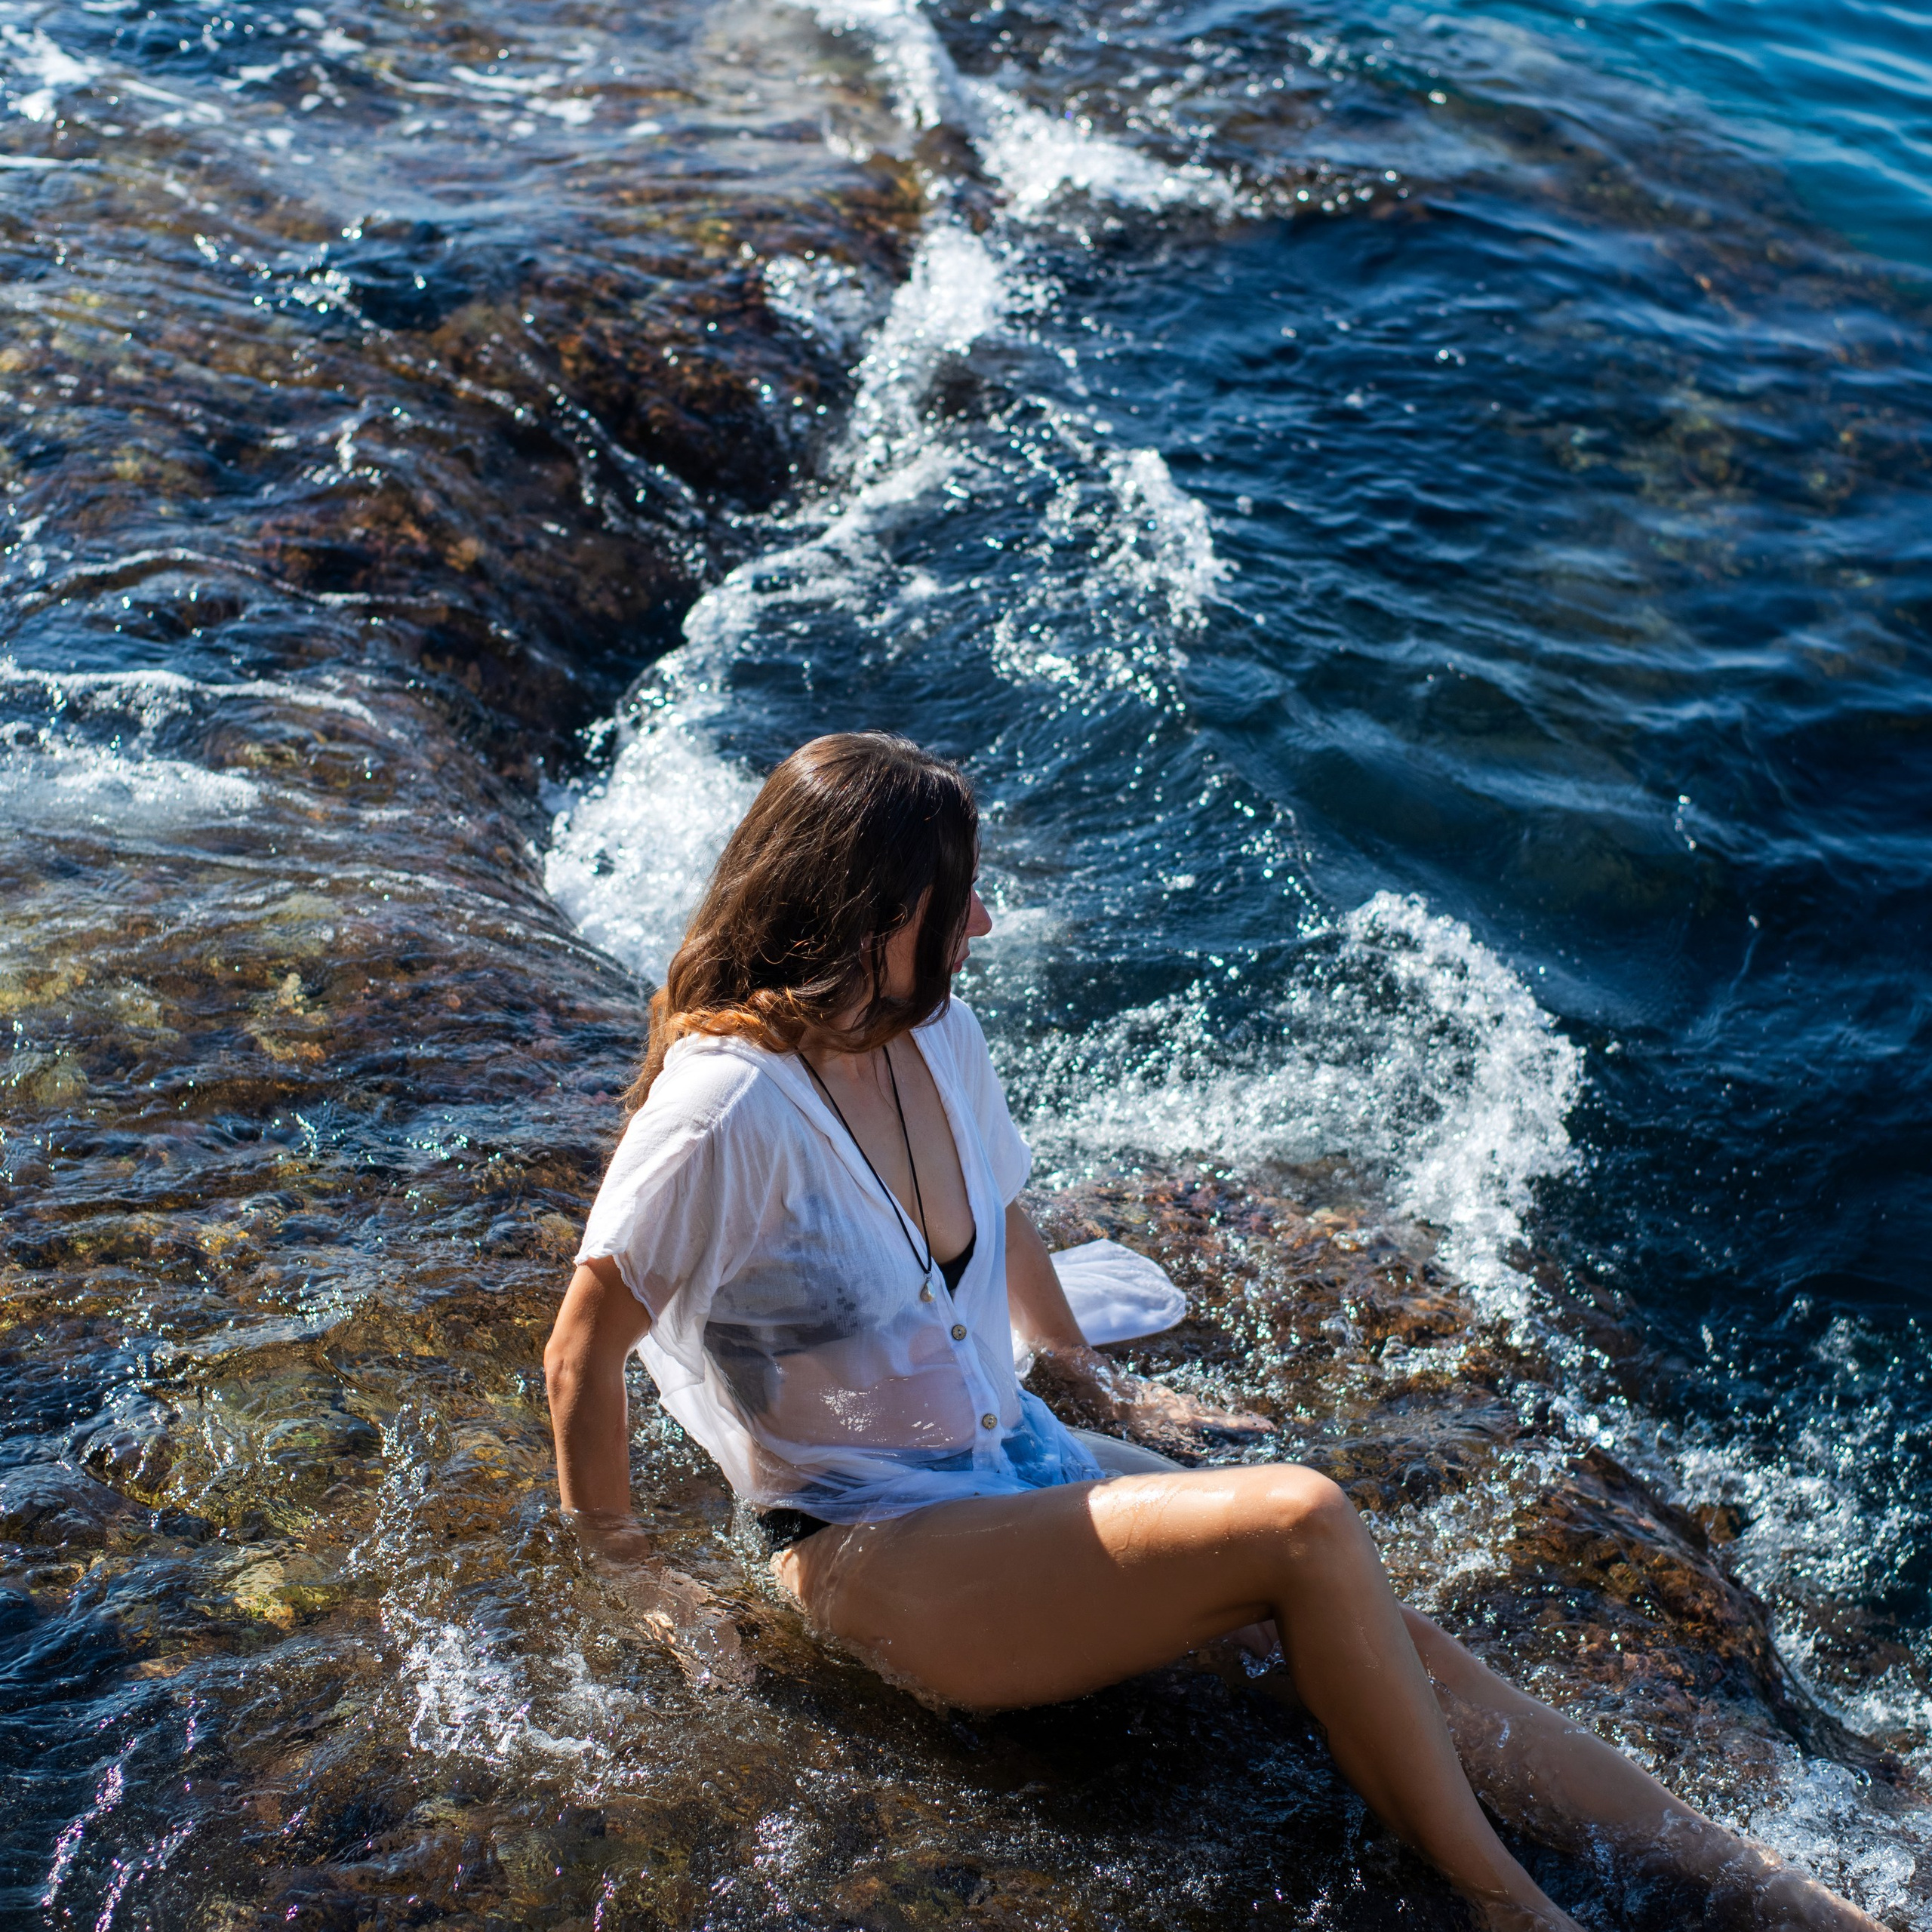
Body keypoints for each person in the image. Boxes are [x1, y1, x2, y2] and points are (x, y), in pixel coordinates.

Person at [546, 731, 1881, 1932]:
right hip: (871, 1546)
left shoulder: (930, 1031)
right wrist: (628, 1566)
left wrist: (1091, 1385)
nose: (986, 923)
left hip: (1014, 1465)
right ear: (872, 916)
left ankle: (1770, 1891)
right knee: (1296, 1523)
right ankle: (1507, 1907)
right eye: (956, 904)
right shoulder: (728, 1107)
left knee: (1390, 1639)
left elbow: (1003, 1215)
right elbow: (582, 1345)